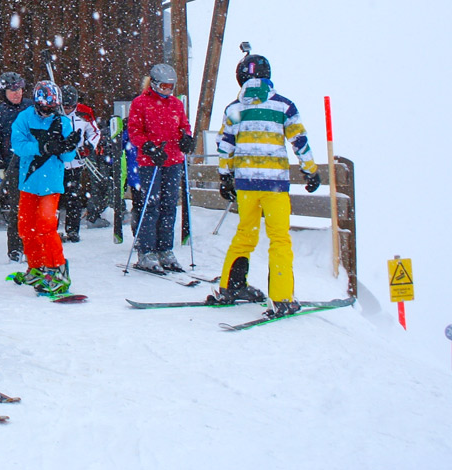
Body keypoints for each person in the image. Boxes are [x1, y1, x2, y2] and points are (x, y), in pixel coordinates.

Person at [206, 53, 321, 315]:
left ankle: (231, 286)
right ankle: (281, 298)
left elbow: (225, 146)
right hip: (274, 185)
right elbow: (299, 141)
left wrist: (225, 176)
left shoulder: (234, 109)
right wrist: (310, 171)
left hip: (246, 184)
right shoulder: (284, 106)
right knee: (279, 239)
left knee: (245, 234)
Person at [9, 80, 80, 294]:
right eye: (45, 107)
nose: (49, 111)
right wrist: (43, 146)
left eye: (53, 107)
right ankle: (36, 266)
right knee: (26, 227)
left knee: (46, 226)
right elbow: (18, 146)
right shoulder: (24, 118)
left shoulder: (63, 122)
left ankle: (58, 268)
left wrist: (69, 146)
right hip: (29, 182)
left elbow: (67, 157)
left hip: (51, 184)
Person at [127, 64, 194, 273]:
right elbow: (134, 130)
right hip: (151, 162)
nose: (168, 90)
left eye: (171, 87)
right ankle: (146, 251)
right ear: (154, 84)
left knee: (169, 204)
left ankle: (165, 249)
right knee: (150, 205)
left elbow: (184, 125)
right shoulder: (140, 103)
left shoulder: (176, 104)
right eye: (164, 86)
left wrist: (186, 139)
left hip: (173, 160)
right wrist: (148, 147)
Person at [0, 71, 29, 262]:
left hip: (34, 164)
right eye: (12, 90)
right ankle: (15, 248)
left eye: (18, 89)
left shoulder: (31, 107)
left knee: (34, 209)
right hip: (13, 167)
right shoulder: (0, 114)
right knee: (17, 209)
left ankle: (32, 244)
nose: (16, 93)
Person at [58, 86, 100, 243]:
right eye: (65, 106)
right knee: (54, 196)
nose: (67, 110)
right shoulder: (54, 113)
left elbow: (95, 132)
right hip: (58, 162)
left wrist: (88, 146)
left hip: (76, 162)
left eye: (70, 107)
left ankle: (72, 230)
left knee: (73, 196)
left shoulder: (84, 113)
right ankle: (51, 229)